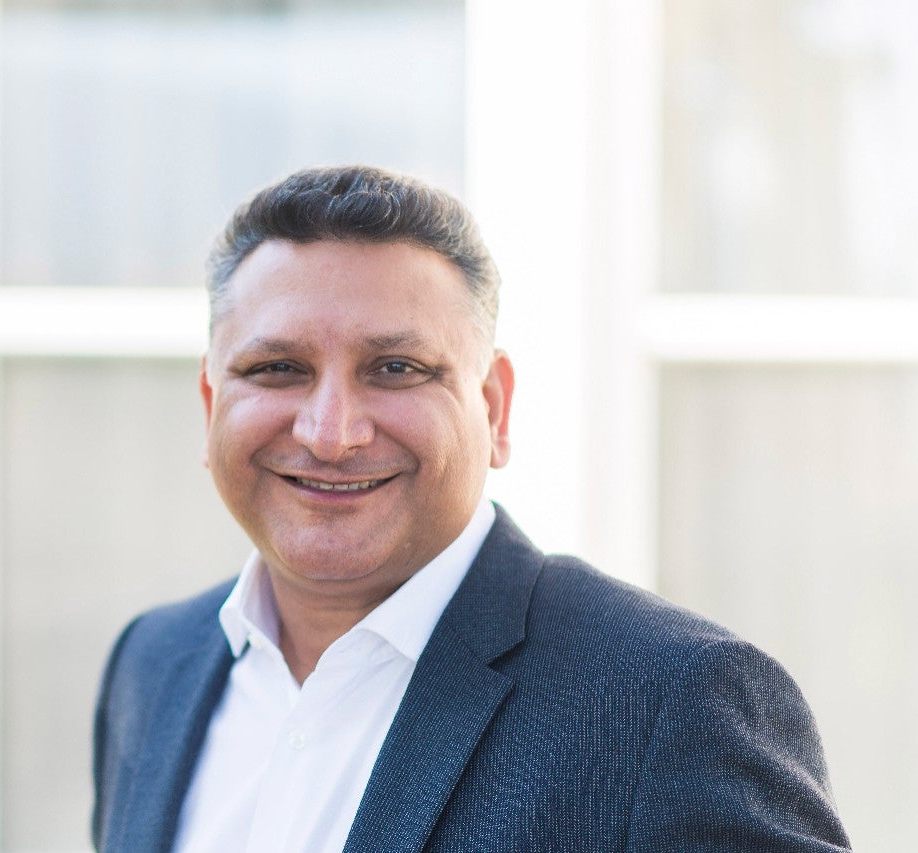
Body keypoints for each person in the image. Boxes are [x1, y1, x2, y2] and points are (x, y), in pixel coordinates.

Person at [91, 166, 850, 852]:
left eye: (396, 368)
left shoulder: (674, 704)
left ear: (494, 408)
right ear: (210, 405)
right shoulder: (152, 667)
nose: (330, 433)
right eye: (277, 367)